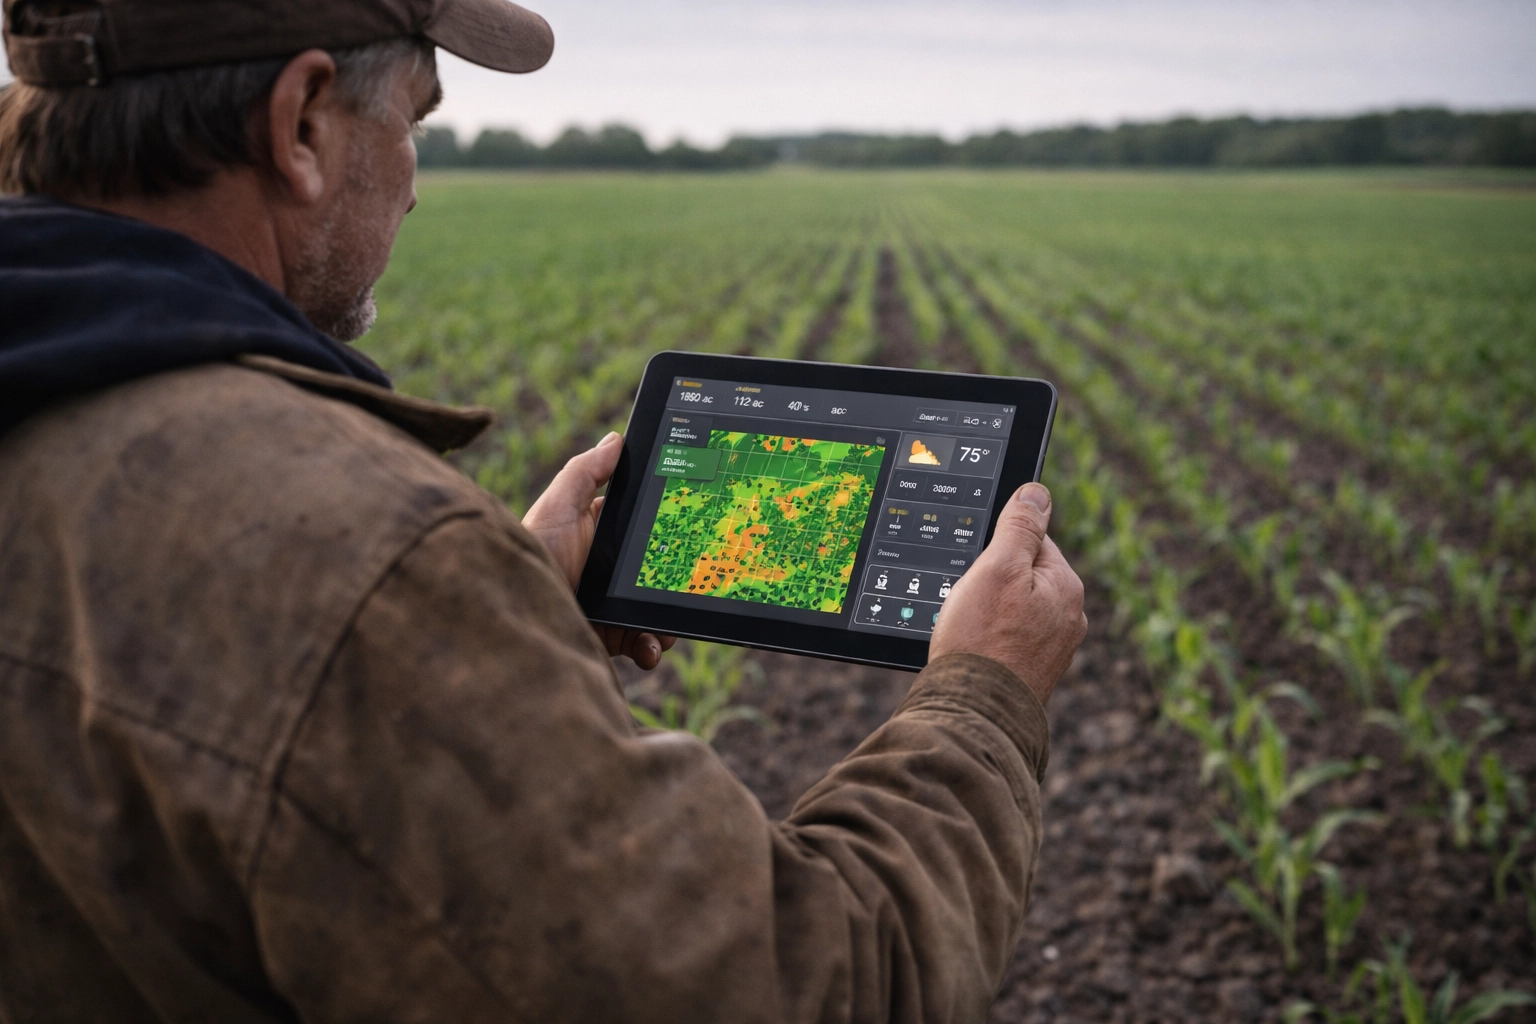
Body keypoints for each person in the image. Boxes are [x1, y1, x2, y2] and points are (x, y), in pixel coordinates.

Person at [0, 0, 1088, 1020]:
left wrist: (497, 619)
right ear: (302, 124)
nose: (414, 186)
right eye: (414, 118)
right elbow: (821, 986)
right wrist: (985, 694)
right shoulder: (363, 564)